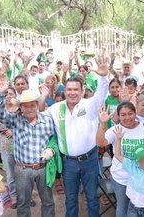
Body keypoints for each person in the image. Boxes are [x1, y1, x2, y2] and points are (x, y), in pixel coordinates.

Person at [42, 52, 109, 217]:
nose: (72, 93)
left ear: (82, 90)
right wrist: (43, 96)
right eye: (69, 89)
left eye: (75, 90)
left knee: (92, 197)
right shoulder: (56, 109)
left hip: (90, 160)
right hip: (68, 163)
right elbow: (37, 114)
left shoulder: (90, 105)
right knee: (71, 200)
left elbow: (101, 95)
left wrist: (103, 77)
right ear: (65, 91)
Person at [0, 74, 57, 217]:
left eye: (32, 105)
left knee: (48, 202)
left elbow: (54, 139)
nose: (29, 109)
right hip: (22, 169)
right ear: (20, 107)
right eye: (25, 106)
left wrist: (51, 149)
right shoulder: (15, 120)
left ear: (37, 105)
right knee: (23, 204)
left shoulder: (48, 120)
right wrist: (0, 94)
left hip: (43, 168)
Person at [96, 102, 144, 216]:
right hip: (121, 178)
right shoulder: (116, 130)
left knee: (142, 208)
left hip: (142, 179)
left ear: (135, 113)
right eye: (123, 115)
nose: (127, 117)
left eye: (130, 113)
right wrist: (102, 123)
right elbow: (100, 143)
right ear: (118, 117)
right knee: (123, 207)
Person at [113, 128, 144, 217]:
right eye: (141, 160)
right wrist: (119, 139)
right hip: (132, 207)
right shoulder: (132, 167)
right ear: (137, 161)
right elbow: (117, 155)